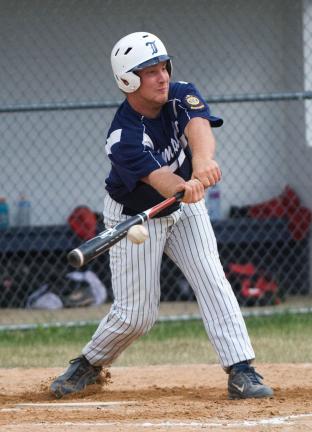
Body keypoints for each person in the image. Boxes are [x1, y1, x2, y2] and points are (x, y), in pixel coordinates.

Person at [50, 32, 273, 400]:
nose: (162, 76)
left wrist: (202, 166)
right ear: (128, 80)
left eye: (163, 66)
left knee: (211, 278)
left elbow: (198, 128)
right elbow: (161, 180)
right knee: (137, 315)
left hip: (186, 207)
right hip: (138, 217)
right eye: (149, 71)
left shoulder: (180, 93)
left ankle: (241, 369)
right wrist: (182, 187)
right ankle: (88, 364)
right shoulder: (123, 137)